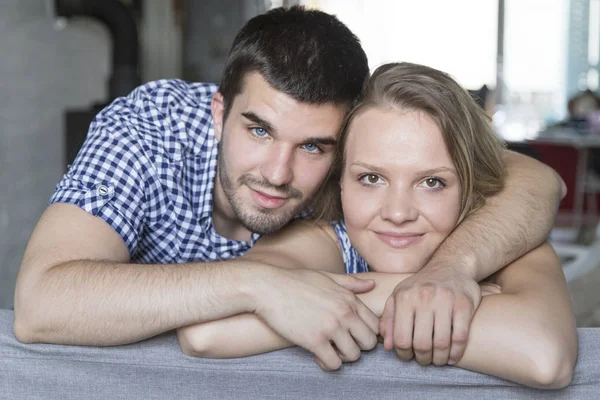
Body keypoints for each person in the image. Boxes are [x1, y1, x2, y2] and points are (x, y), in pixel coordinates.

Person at [14, 6, 566, 372]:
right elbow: (42, 303)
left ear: (346, 141)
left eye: (314, 147)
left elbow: (534, 177)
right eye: (259, 130)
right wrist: (257, 285)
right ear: (218, 109)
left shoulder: (357, 183)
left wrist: (451, 270)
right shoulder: (151, 131)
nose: (278, 174)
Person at [176, 62, 577, 388]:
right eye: (371, 178)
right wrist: (396, 295)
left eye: (432, 182)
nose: (398, 212)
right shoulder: (329, 238)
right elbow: (206, 331)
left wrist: (325, 301)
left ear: (469, 190)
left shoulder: (502, 239)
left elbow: (544, 357)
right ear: (340, 184)